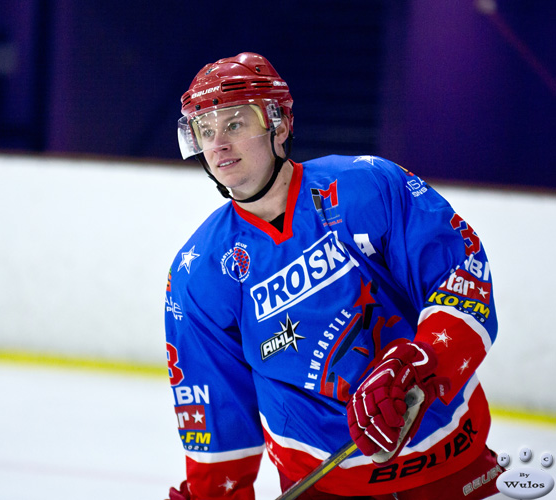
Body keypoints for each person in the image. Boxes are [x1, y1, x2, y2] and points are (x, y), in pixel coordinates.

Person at [164, 52, 502, 500]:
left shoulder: (367, 187)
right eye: (206, 131)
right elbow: (214, 403)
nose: (218, 144)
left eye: (234, 124)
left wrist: (419, 363)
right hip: (322, 486)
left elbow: (460, 276)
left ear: (278, 125)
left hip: (450, 463)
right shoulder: (201, 270)